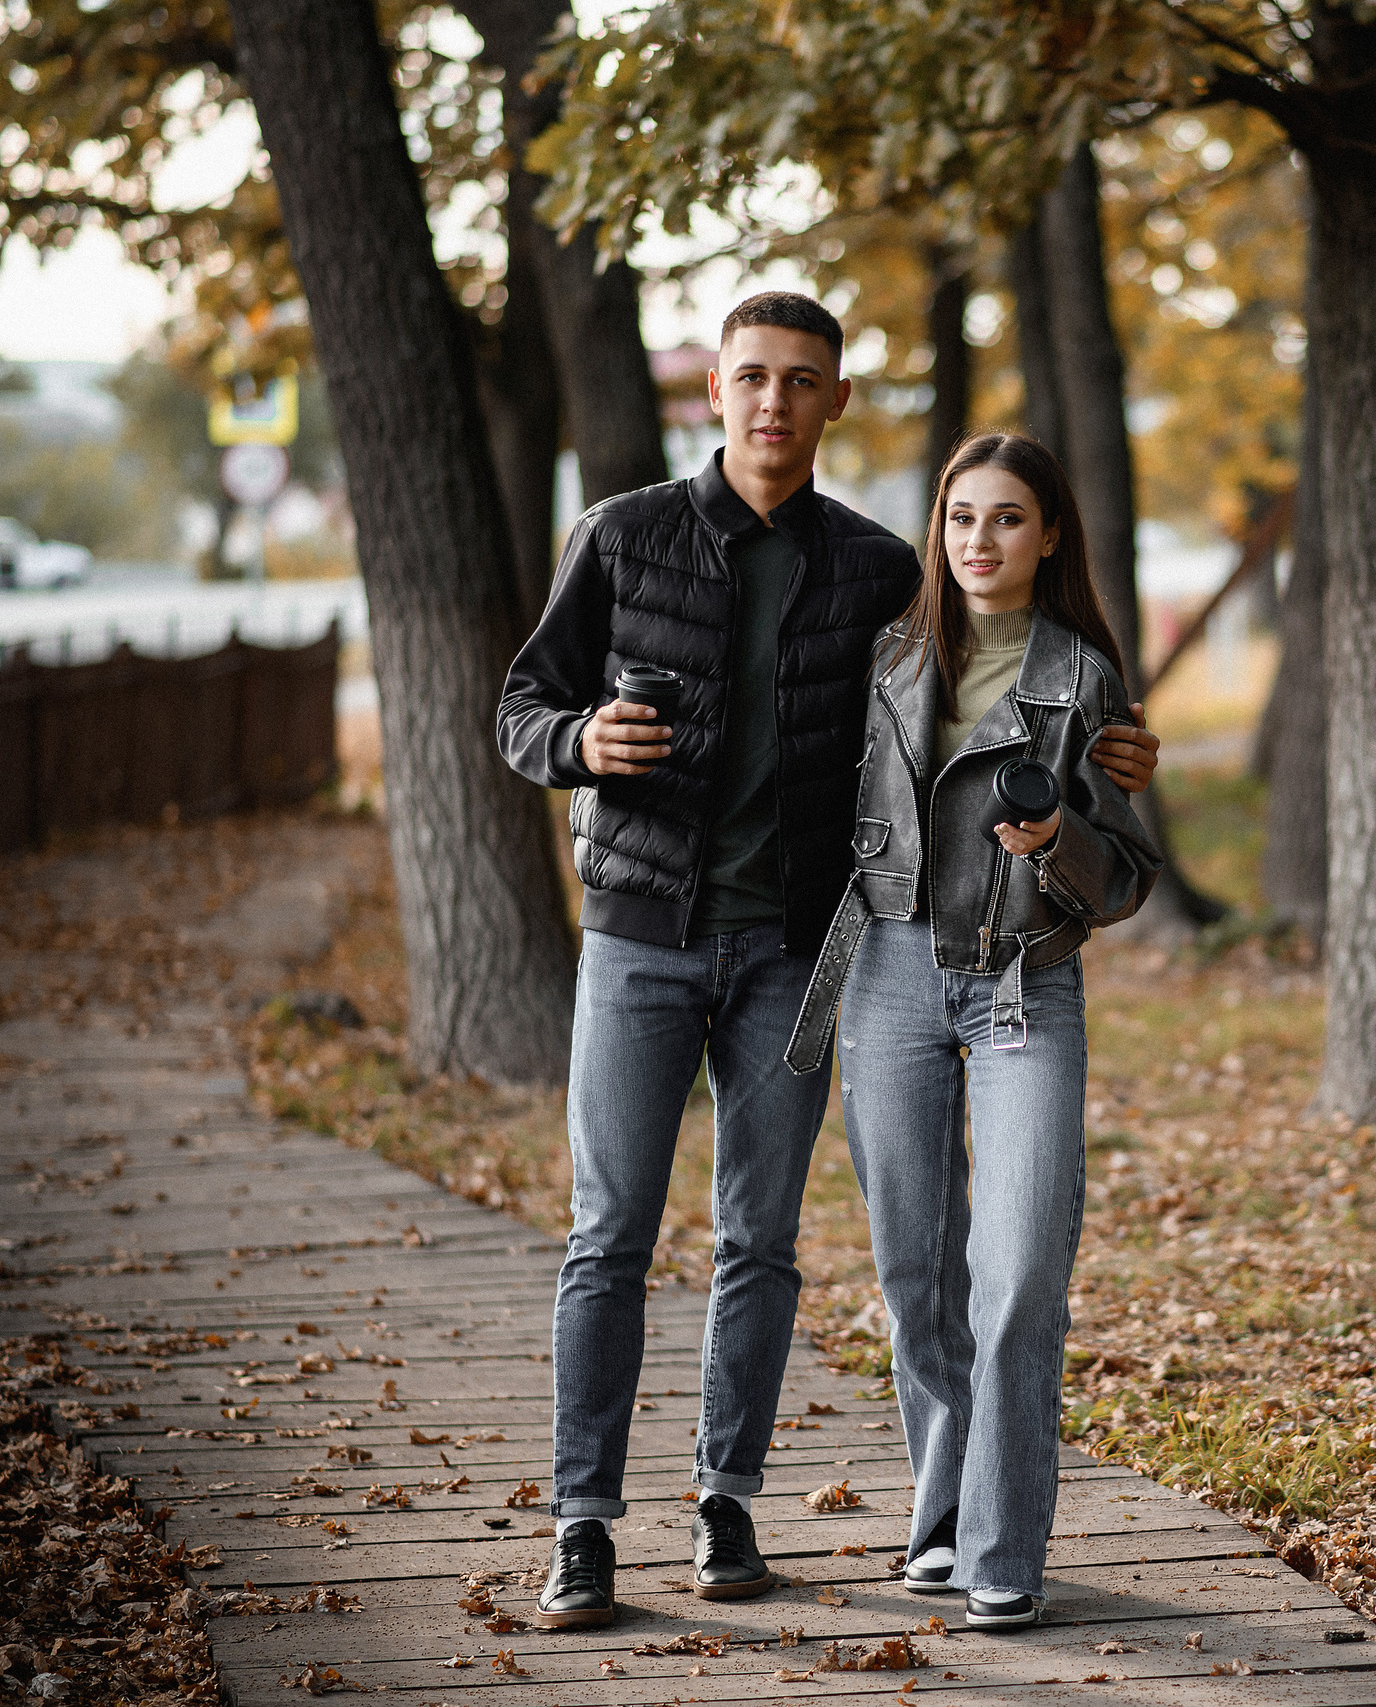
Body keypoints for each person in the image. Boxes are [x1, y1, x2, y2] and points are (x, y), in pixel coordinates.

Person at [495, 295, 1161, 1631]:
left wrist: (1095, 782)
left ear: (836, 400)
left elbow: (1020, 733)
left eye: (801, 380)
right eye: (751, 376)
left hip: (814, 957)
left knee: (778, 1240)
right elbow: (522, 706)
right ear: (716, 389)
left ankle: (742, 1502)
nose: (773, 401)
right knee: (617, 1234)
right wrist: (577, 743)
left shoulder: (875, 572)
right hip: (664, 942)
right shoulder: (624, 536)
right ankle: (584, 1523)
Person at [783, 432, 1162, 1630]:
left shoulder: (1082, 678)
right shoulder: (886, 653)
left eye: (1006, 518)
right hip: (888, 973)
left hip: (1022, 986)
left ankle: (1002, 1547)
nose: (979, 540)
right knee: (914, 1272)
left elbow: (1127, 875)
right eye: (960, 517)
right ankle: (942, 1512)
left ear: (1048, 537)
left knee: (1021, 1270)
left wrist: (1060, 842)